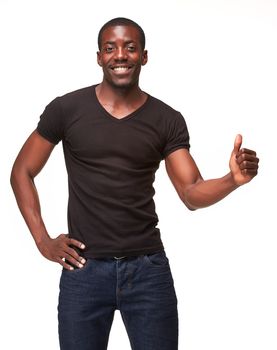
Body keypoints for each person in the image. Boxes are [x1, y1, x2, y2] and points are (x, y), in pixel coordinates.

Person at [10, 17, 259, 350]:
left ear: (144, 56)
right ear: (99, 57)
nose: (120, 55)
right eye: (111, 48)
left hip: (147, 271)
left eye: (130, 47)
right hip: (83, 272)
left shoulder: (166, 119)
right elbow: (21, 171)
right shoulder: (66, 109)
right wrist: (42, 241)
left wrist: (233, 180)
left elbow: (190, 192)